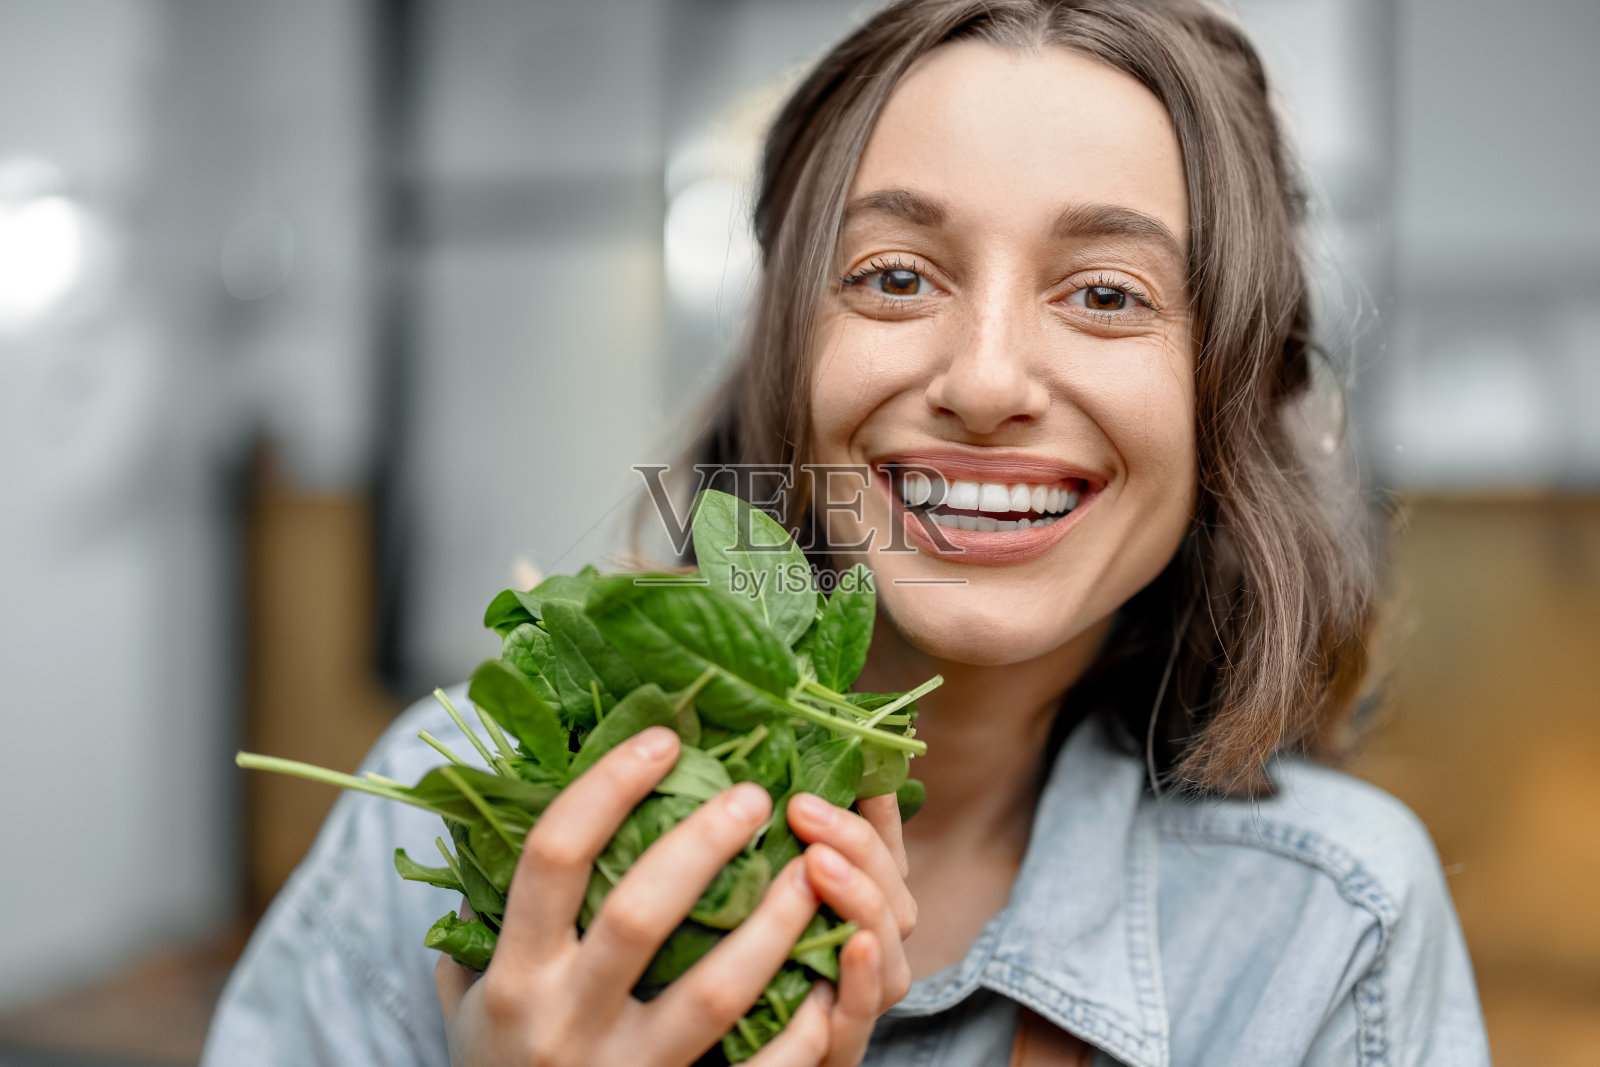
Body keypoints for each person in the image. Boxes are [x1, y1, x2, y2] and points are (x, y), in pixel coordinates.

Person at [203, 1, 1491, 1064]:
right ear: (784, 355)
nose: (986, 381)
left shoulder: (1332, 923)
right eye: (895, 277)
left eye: (1107, 294)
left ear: (1231, 402)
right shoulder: (456, 809)